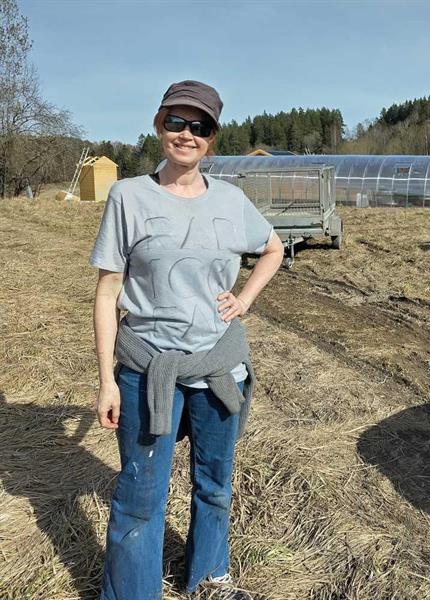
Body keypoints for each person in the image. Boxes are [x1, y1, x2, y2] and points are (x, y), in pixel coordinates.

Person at [90, 80, 284, 600]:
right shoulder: (129, 196)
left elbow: (273, 248)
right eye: (176, 121)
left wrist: (245, 299)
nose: (186, 134)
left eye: (199, 126)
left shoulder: (231, 200)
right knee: (140, 496)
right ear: (159, 126)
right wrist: (107, 380)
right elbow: (108, 292)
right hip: (147, 367)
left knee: (215, 484)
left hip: (219, 367)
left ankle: (209, 577)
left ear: (211, 138)